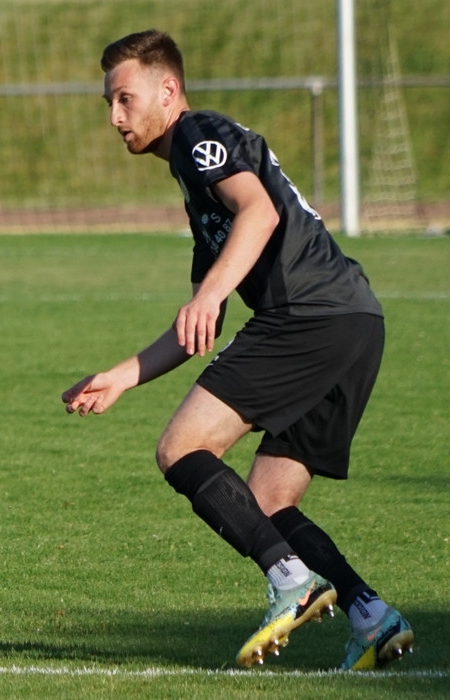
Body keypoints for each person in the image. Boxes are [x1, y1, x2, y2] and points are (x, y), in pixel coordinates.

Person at [61, 29, 414, 670]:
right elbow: (203, 322)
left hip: (306, 316)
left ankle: (291, 581)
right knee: (269, 500)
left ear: (168, 91)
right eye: (108, 103)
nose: (114, 117)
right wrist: (122, 376)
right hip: (355, 322)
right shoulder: (196, 183)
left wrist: (209, 294)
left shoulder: (198, 135)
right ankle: (370, 616)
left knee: (181, 448)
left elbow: (260, 213)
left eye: (124, 99)